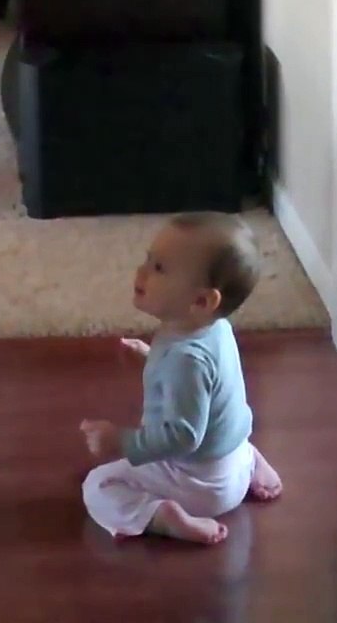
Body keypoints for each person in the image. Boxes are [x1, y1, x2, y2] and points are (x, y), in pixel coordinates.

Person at [79, 212, 283, 544]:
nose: (141, 272)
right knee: (224, 418)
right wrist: (152, 358)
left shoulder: (184, 359)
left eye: (159, 268)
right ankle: (251, 465)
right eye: (149, 260)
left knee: (98, 486)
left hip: (198, 485)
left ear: (201, 300)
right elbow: (209, 384)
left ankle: (163, 517)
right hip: (230, 458)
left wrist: (122, 441)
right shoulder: (215, 329)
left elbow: (183, 436)